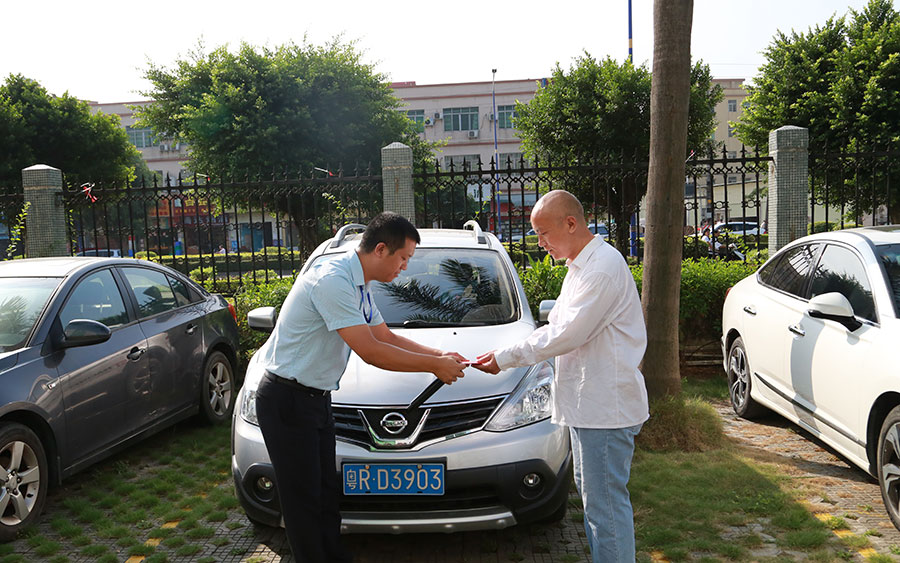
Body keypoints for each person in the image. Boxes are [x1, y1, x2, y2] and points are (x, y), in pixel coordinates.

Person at [254, 212, 466, 562]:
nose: (405, 267)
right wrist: (434, 366)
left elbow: (385, 337)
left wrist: (439, 354)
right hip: (287, 400)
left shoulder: (360, 284)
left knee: (325, 494)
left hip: (315, 399)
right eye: (403, 258)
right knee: (303, 501)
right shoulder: (333, 280)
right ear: (380, 249)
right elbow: (371, 351)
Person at [476, 190, 648, 563]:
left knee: (604, 506)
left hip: (605, 408)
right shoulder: (581, 266)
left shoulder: (601, 268)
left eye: (543, 233)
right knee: (596, 501)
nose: (539, 242)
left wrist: (505, 358)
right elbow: (559, 328)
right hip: (590, 406)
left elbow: (566, 334)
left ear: (571, 223)